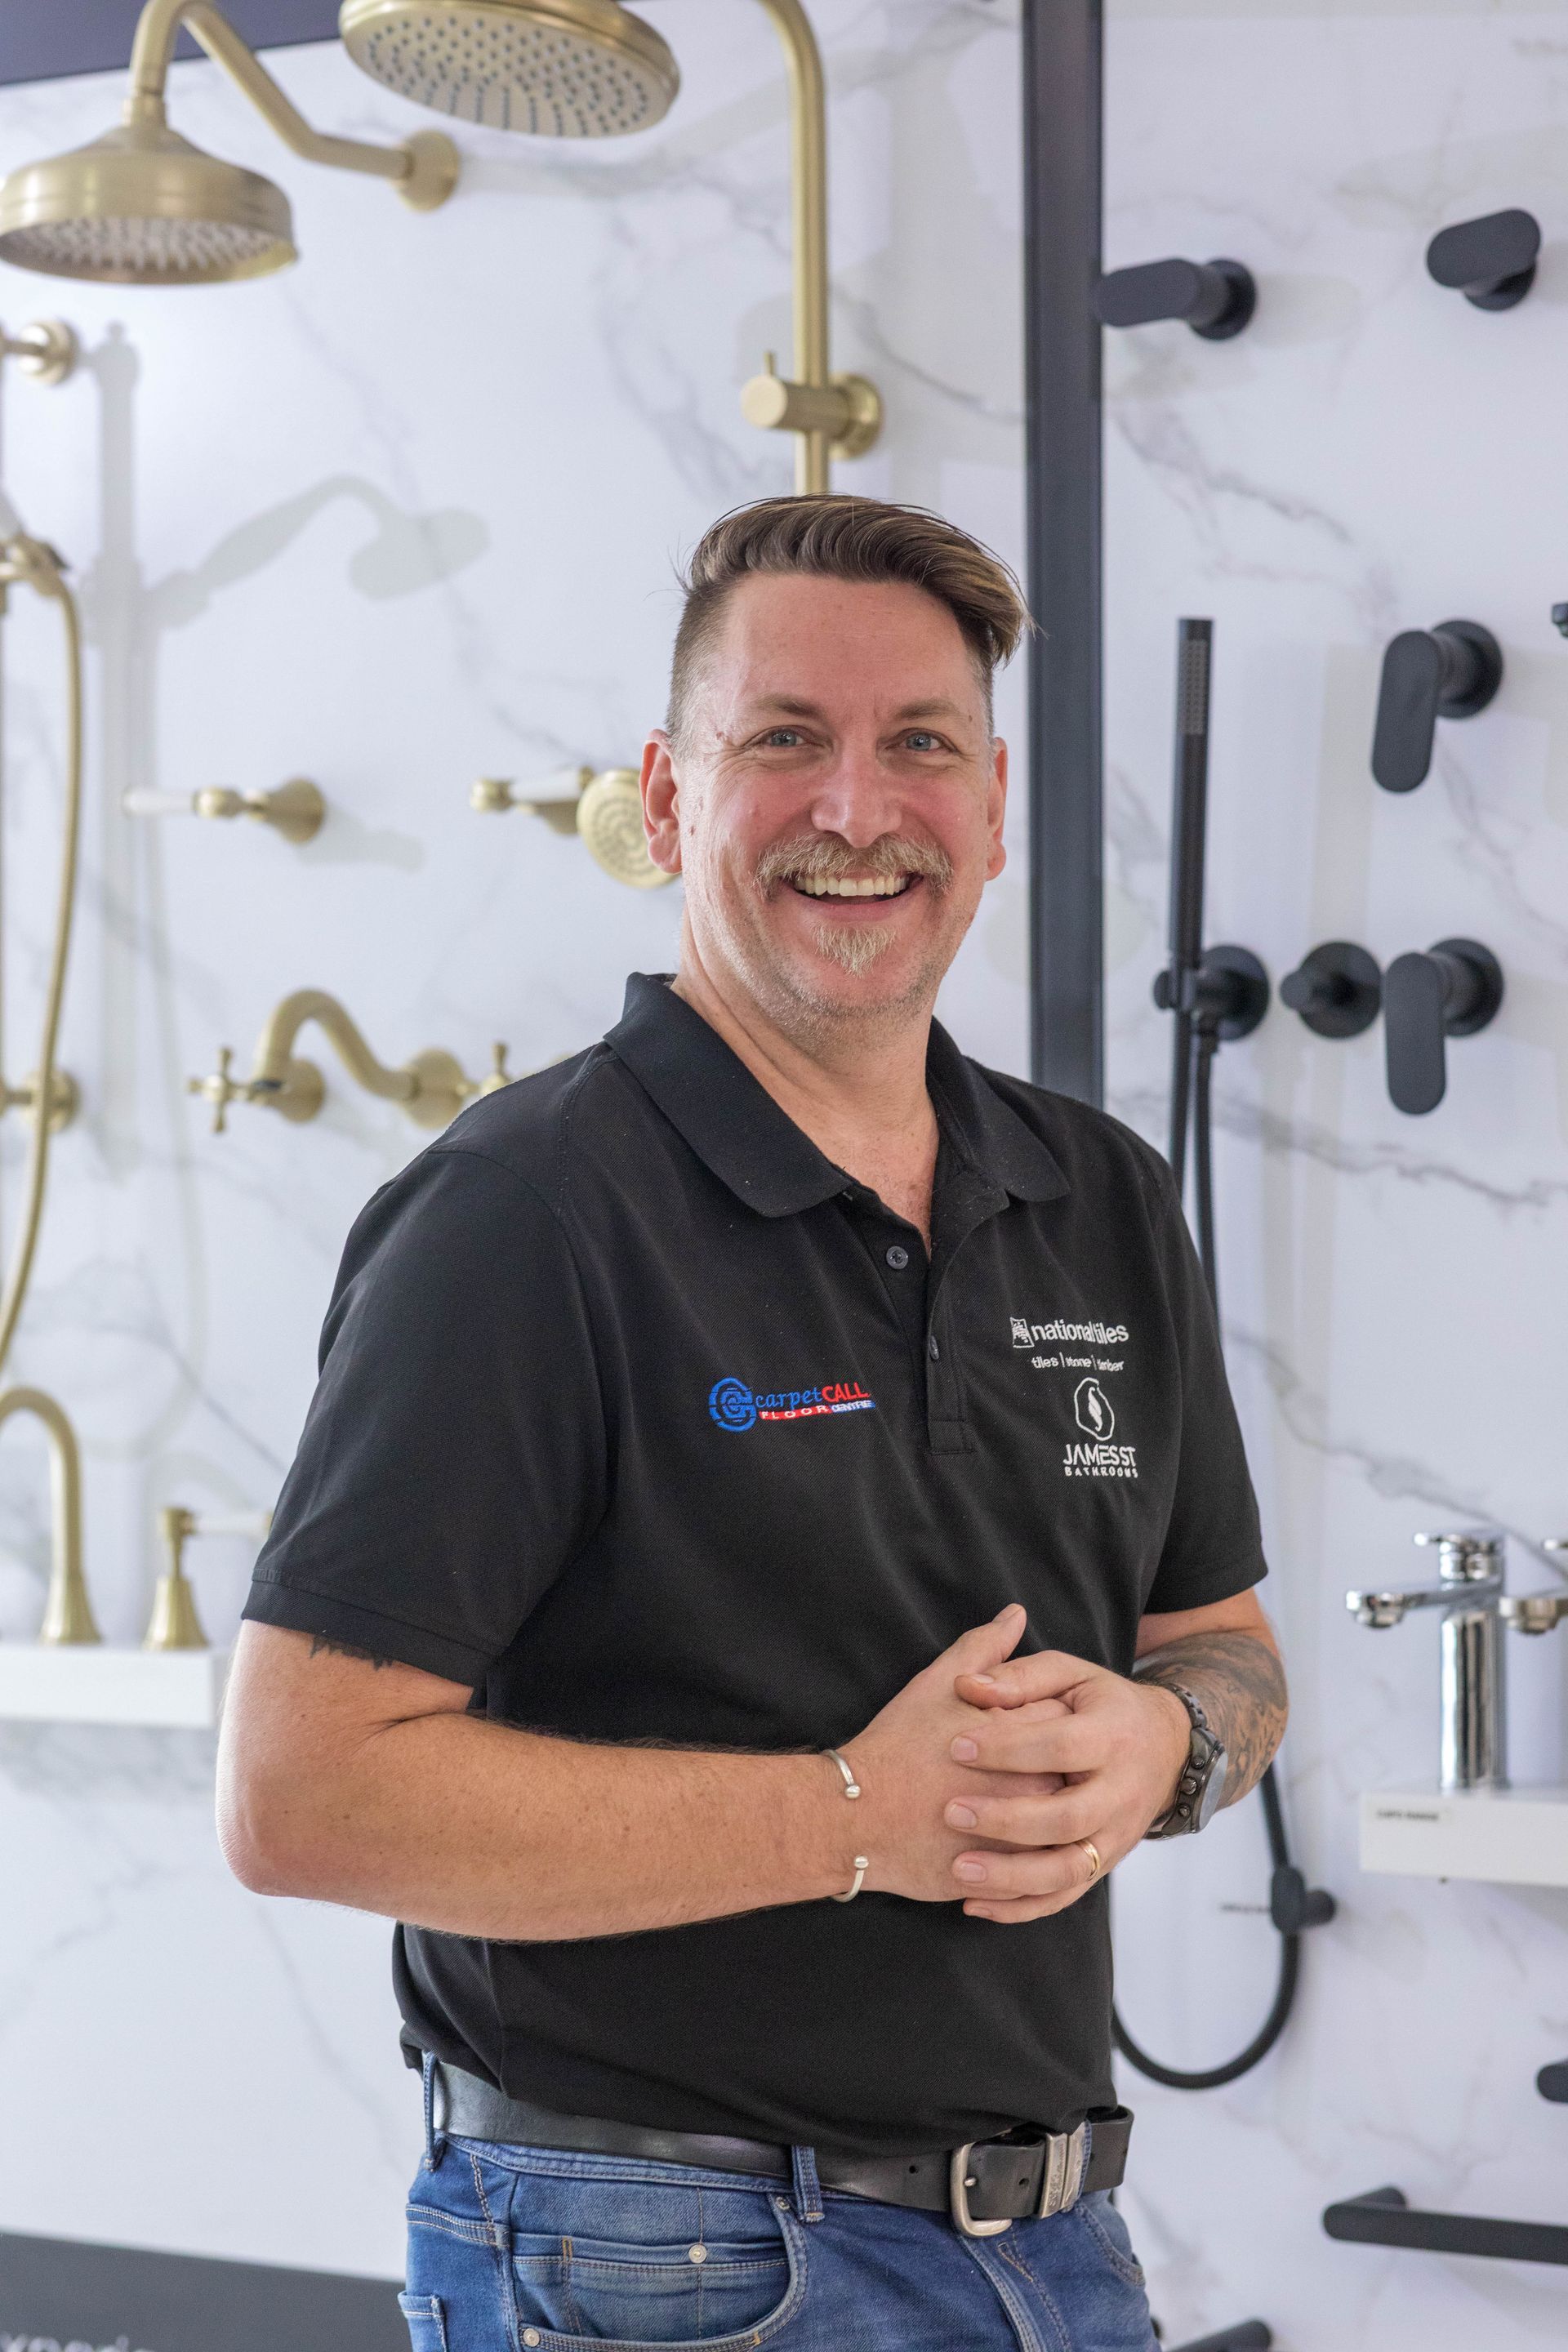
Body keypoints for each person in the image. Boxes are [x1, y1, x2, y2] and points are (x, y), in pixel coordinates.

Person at [219, 495, 1287, 2352]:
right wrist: (853, 1819)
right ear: (668, 795)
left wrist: (1166, 1751)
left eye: (920, 747)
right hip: (668, 2259)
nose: (859, 812)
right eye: (784, 740)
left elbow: (1222, 1648)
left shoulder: (1100, 1197)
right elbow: (303, 1793)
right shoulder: (529, 1210)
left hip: (1056, 2243)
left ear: (997, 805)